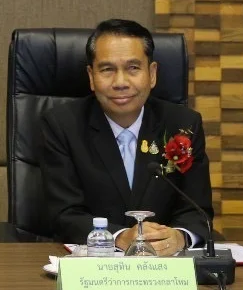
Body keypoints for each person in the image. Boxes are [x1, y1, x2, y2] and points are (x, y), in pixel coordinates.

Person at [39, 18, 214, 256]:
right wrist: (120, 237)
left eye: (133, 68)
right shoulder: (61, 125)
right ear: (91, 76)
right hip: (93, 264)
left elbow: (198, 211)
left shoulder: (183, 125)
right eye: (107, 69)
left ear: (152, 73)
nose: (120, 82)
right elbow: (64, 214)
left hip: (165, 265)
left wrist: (180, 237)